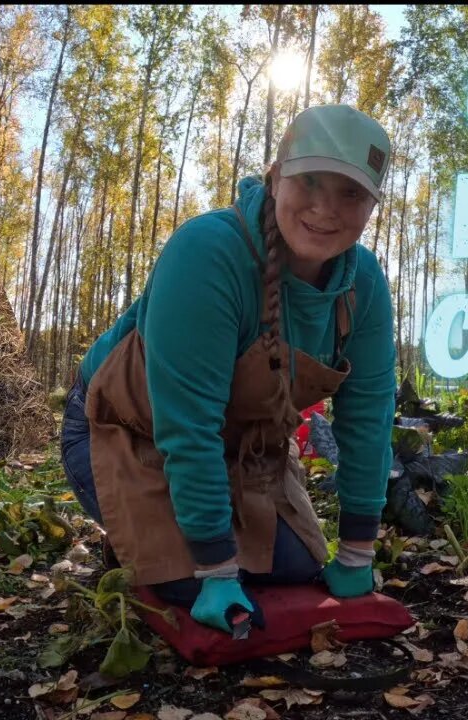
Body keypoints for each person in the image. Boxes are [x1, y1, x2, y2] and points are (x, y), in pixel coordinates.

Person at [60, 104, 397, 634]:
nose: (326, 209)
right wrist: (215, 568)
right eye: (310, 181)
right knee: (197, 582)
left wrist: (357, 549)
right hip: (125, 432)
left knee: (294, 573)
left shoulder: (365, 286)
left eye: (351, 193)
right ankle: (138, 545)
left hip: (245, 451)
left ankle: (182, 539)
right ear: (276, 175)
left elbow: (369, 419)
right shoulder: (209, 253)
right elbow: (188, 427)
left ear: (372, 205)